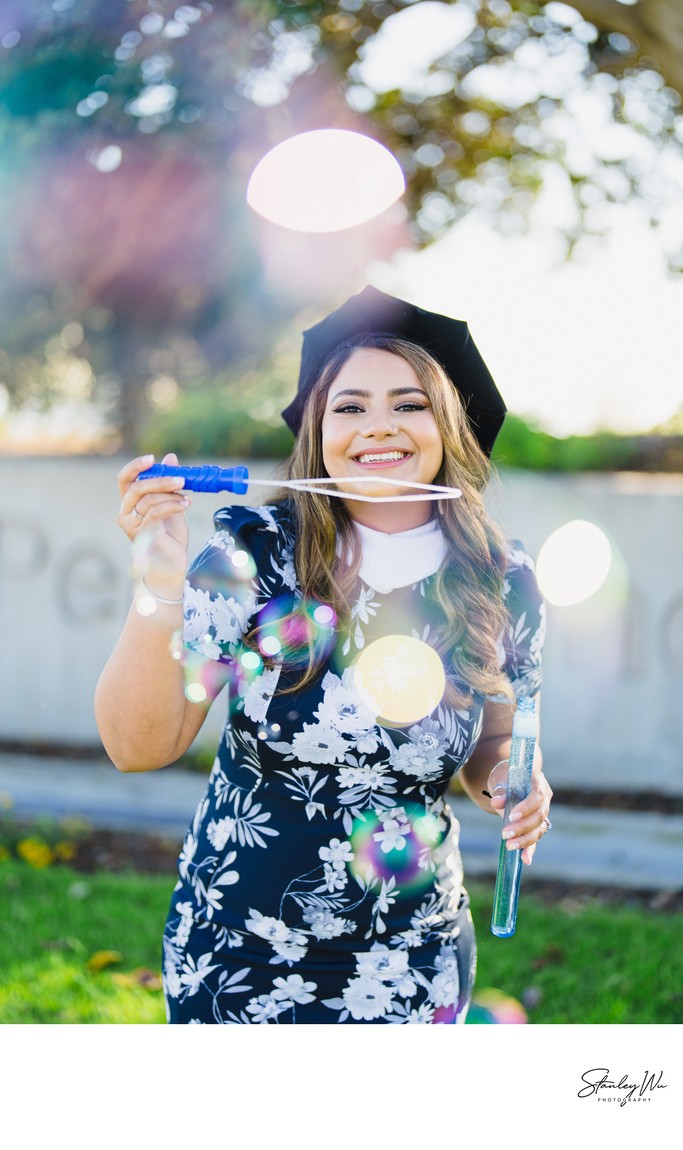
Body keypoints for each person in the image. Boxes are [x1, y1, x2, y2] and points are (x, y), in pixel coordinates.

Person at [95, 286, 551, 1025]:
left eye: (409, 403)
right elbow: (137, 745)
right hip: (240, 947)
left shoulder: (503, 577)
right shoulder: (249, 556)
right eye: (349, 406)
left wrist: (510, 779)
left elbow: (496, 739)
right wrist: (158, 585)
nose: (379, 426)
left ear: (449, 425)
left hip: (415, 955)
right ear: (316, 429)